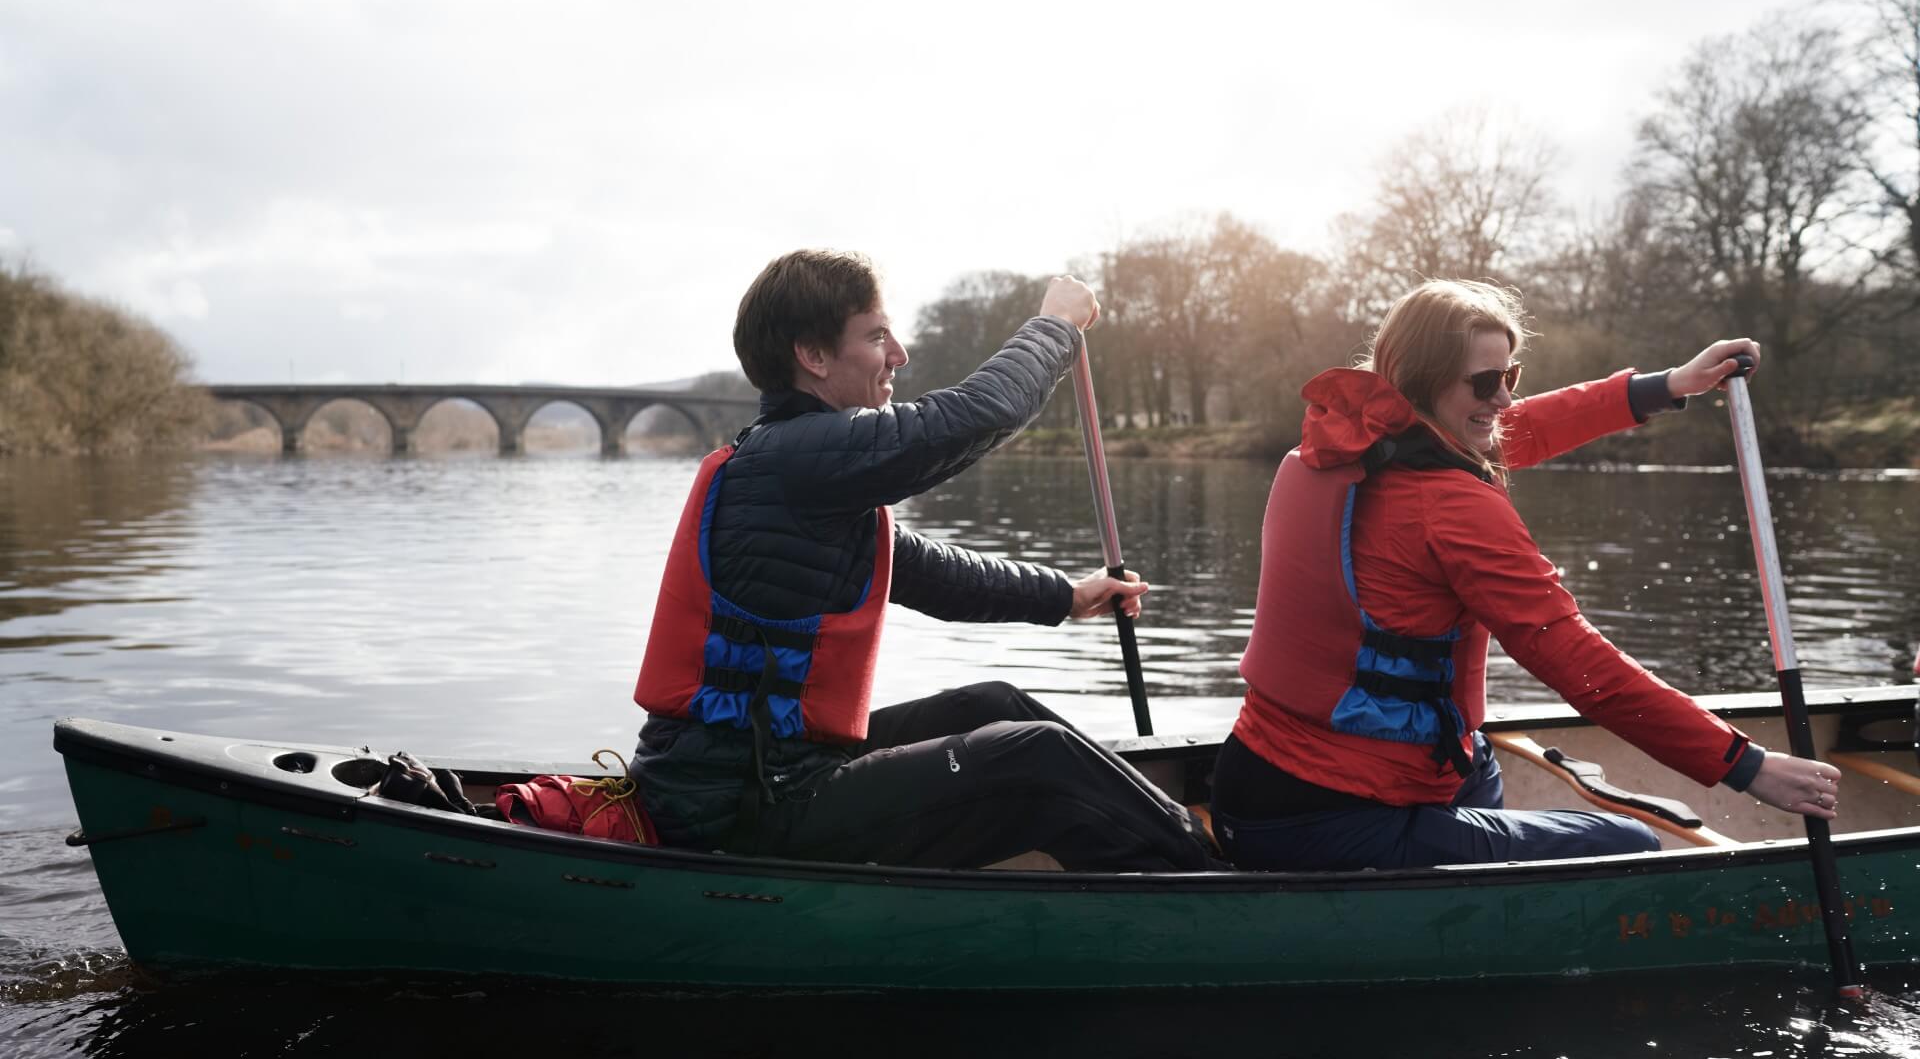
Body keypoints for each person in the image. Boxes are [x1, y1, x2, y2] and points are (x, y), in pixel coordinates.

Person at [1213, 278, 1844, 870]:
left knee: (1477, 761)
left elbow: (1515, 427)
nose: (1505, 398)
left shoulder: (1335, 450)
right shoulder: (1450, 506)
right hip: (1333, 816)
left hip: (1253, 782)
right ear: (1421, 383)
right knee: (1629, 845)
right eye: (1487, 381)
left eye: (1510, 374)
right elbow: (1577, 662)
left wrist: (1666, 385)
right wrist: (1744, 764)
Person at [628, 249, 1217, 872]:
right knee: (1038, 756)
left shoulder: (804, 470)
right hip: (743, 805)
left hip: (773, 770)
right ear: (815, 356)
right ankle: (1212, 875)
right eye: (877, 335)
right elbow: (973, 416)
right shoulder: (798, 458)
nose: (899, 355)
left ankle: (1174, 842)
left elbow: (930, 572)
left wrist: (1067, 596)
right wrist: (1057, 328)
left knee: (994, 705)